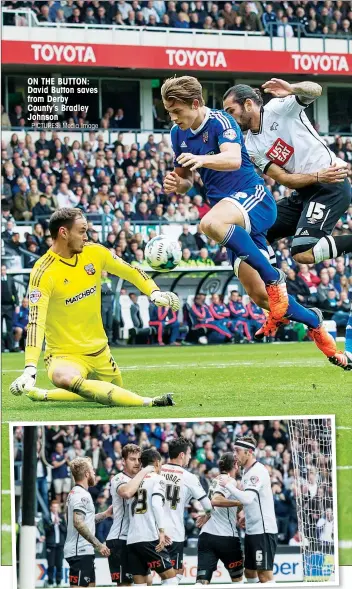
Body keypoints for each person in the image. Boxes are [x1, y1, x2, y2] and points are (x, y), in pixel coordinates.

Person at [162, 76, 338, 363]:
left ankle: (274, 277)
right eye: (169, 112)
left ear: (195, 104)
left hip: (252, 197)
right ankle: (316, 325)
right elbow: (186, 180)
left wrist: (201, 159)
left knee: (208, 224)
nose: (173, 117)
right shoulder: (177, 134)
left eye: (177, 111)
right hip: (229, 213)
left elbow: (231, 159)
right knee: (260, 298)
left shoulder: (221, 121)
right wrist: (176, 184)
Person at [223, 80, 351, 353]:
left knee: (302, 253)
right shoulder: (249, 144)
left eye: (231, 111)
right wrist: (315, 176)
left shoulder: (280, 107)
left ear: (248, 104)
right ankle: (275, 302)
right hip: (306, 189)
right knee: (253, 231)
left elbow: (315, 90)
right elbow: (285, 179)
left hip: (330, 187)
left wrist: (293, 88)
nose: (229, 118)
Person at [10, 208, 179, 407]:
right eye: (82, 231)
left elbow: (131, 271)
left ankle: (43, 395)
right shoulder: (43, 272)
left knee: (104, 393)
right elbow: (35, 322)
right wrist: (30, 368)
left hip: (100, 351)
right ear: (64, 233)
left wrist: (154, 292)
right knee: (63, 377)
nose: (86, 236)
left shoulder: (94, 252)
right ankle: (148, 402)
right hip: (64, 356)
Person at [219, 437, 278, 584]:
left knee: (264, 575)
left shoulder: (257, 471)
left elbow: (247, 498)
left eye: (237, 451)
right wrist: (246, 514)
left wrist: (228, 485)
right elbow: (253, 500)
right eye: (234, 450)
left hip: (263, 531)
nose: (234, 454)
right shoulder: (247, 471)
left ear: (249, 452)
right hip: (252, 530)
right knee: (250, 572)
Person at [161, 437, 213, 583]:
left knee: (145, 578)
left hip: (152, 531)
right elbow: (208, 506)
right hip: (173, 533)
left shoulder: (156, 471)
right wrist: (206, 516)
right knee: (174, 575)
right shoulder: (189, 477)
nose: (190, 457)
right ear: (182, 455)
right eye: (189, 453)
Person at [126, 448, 177, 585]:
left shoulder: (134, 482)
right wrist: (161, 531)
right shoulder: (158, 479)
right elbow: (155, 504)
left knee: (140, 584)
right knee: (171, 580)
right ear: (157, 462)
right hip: (149, 537)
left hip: (132, 540)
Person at [106, 443, 154, 586]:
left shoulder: (142, 478)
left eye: (139, 459)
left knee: (148, 581)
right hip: (120, 538)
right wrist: (144, 471)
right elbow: (126, 492)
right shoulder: (118, 479)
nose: (137, 463)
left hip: (137, 538)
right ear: (123, 461)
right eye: (132, 459)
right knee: (125, 584)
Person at [195, 452, 243, 584]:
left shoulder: (215, 480)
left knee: (202, 582)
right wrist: (241, 502)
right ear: (235, 465)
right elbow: (216, 500)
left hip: (206, 536)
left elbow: (215, 503)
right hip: (226, 537)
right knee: (238, 580)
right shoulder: (230, 480)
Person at [64, 457, 112, 588]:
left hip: (83, 551)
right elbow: (78, 523)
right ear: (86, 474)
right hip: (80, 551)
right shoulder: (81, 495)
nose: (94, 474)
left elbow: (85, 521)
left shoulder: (76, 492)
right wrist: (99, 545)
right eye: (92, 471)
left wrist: (105, 514)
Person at [44, 500, 67, 588]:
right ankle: (50, 582)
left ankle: (58, 582)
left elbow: (65, 530)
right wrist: (53, 523)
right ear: (51, 508)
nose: (55, 509)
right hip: (51, 545)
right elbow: (46, 530)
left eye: (56, 507)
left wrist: (59, 523)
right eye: (53, 507)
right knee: (50, 565)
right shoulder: (47, 517)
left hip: (60, 545)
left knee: (59, 565)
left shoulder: (61, 517)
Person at [1, 265, 19, 352]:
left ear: (6, 270)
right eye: (1, 270)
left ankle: (11, 347)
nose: (2, 271)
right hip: (0, 306)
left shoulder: (10, 279)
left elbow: (15, 293)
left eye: (4, 269)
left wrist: (17, 305)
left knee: (9, 328)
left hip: (9, 307)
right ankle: (1, 348)